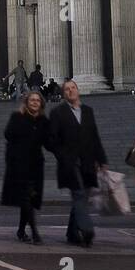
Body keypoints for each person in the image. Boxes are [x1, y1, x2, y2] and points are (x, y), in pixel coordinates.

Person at [48, 80, 109, 248]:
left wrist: (102, 160)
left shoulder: (88, 111)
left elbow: (94, 137)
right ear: (63, 94)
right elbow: (51, 140)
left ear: (78, 90)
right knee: (79, 195)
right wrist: (63, 156)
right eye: (66, 89)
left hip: (88, 162)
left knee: (82, 197)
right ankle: (87, 229)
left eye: (73, 88)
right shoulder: (57, 113)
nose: (70, 91)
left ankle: (71, 232)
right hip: (70, 164)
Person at [2, 90, 50, 244]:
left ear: (41, 103)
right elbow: (8, 134)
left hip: (36, 165)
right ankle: (35, 233)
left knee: (29, 200)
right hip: (19, 165)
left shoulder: (43, 121)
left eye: (37, 100)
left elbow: (49, 142)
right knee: (26, 198)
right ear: (26, 102)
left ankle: (21, 230)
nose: (35, 102)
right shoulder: (17, 117)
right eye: (32, 100)